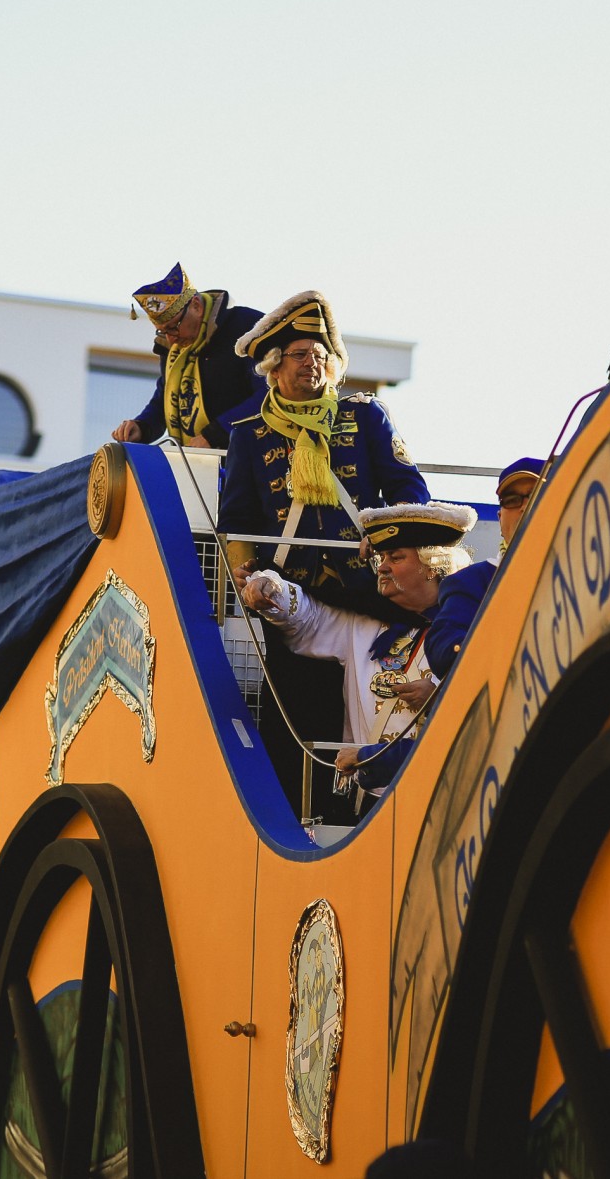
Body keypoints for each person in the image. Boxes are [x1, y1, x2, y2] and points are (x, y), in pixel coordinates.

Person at [219, 291, 430, 823]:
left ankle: (383, 803)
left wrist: (389, 533)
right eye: (299, 355)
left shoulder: (367, 416)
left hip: (372, 591)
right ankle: (303, 818)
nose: (312, 363)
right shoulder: (249, 434)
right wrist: (244, 572)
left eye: (319, 354)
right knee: (299, 713)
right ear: (274, 367)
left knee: (389, 700)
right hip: (296, 599)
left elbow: (410, 489)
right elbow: (239, 518)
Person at [238, 502, 476, 812]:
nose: (383, 567)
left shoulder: (471, 624)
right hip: (369, 801)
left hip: (443, 798)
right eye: (382, 557)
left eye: (396, 557)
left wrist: (439, 696)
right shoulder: (363, 622)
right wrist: (272, 588)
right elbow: (307, 618)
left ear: (433, 565)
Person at [110, 263, 265, 449]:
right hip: (194, 463)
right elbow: (164, 401)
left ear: (196, 306)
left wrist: (216, 434)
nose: (170, 339)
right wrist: (141, 427)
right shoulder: (172, 347)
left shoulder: (247, 327)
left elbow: (268, 397)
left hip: (248, 458)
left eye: (173, 327)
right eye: (162, 331)